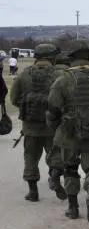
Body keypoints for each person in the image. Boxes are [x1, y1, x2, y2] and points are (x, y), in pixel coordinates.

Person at [48, 40, 89, 222]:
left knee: (70, 169)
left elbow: (53, 109)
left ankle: (73, 207)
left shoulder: (62, 80)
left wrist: (56, 130)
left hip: (68, 132)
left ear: (71, 59)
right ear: (88, 58)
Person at [10, 43, 64, 202]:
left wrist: (27, 106)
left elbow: (14, 99)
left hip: (30, 125)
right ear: (52, 57)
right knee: (55, 154)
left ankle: (33, 192)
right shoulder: (59, 74)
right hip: (52, 125)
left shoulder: (24, 74)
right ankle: (54, 176)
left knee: (31, 156)